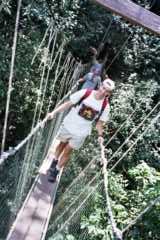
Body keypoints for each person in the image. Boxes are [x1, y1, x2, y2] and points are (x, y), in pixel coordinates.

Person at [46, 78, 115, 182]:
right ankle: (54, 161)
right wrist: (53, 113)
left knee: (68, 151)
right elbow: (68, 103)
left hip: (81, 132)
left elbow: (100, 123)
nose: (103, 91)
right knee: (61, 144)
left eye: (106, 90)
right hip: (69, 124)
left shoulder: (105, 107)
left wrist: (100, 135)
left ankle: (56, 170)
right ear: (100, 86)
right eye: (103, 87)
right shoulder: (86, 93)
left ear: (108, 93)